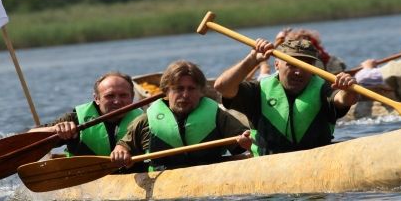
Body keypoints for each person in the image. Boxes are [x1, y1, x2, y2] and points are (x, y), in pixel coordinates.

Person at [214, 38, 358, 156]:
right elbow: (222, 87)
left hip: (316, 164)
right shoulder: (258, 91)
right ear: (277, 65)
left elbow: (343, 100)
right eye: (292, 65)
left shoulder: (323, 88)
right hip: (268, 169)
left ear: (314, 66)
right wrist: (251, 60)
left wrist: (348, 90)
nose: (298, 72)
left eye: (306, 65)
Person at [111, 60, 252, 171]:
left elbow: (247, 141)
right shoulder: (145, 121)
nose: (185, 95)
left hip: (209, 176)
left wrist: (248, 142)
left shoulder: (218, 115)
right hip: (162, 191)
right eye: (179, 89)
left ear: (201, 92)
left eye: (191, 89)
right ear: (166, 91)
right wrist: (120, 151)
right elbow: (123, 146)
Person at [29, 72, 142, 158]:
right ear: (97, 99)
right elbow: (29, 136)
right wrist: (55, 130)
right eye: (110, 96)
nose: (117, 101)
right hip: (84, 179)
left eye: (123, 95)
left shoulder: (145, 120)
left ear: (132, 98)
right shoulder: (74, 119)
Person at [258, 27, 347, 78]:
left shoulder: (324, 61)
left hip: (320, 80)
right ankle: (262, 63)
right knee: (265, 69)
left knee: (265, 70)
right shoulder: (330, 58)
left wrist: (278, 41)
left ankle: (262, 63)